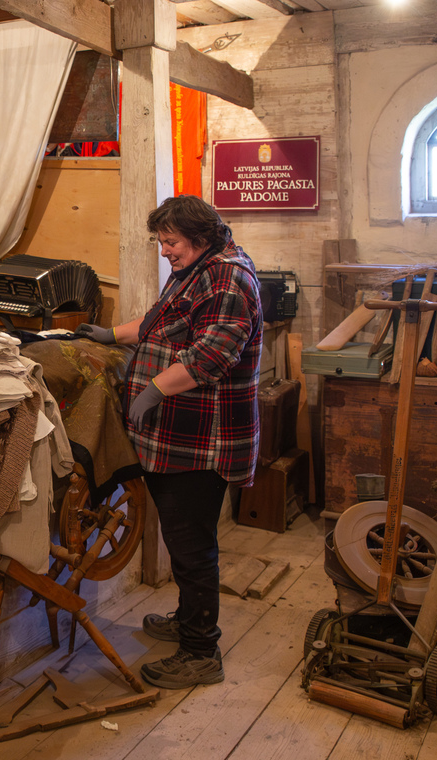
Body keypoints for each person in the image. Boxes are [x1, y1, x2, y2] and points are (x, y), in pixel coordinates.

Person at [75, 195, 263, 689]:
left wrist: (154, 390)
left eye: (171, 242)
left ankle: (201, 652)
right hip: (177, 437)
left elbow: (211, 356)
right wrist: (110, 334)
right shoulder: (196, 269)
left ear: (200, 238)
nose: (165, 251)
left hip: (202, 441)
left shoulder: (227, 279)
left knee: (192, 546)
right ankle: (187, 620)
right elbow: (161, 323)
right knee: (183, 542)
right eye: (161, 242)